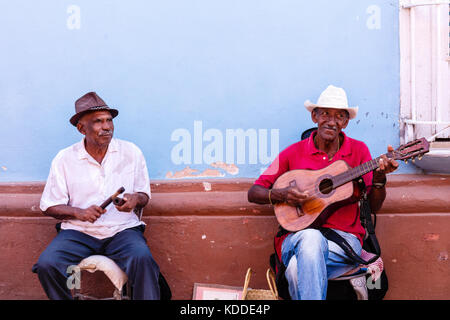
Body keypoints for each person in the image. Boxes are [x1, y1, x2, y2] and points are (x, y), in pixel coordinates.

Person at [247, 85, 398, 300]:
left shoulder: (359, 151)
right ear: (314, 117)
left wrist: (381, 178)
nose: (331, 120)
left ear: (345, 122)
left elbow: (373, 207)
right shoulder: (293, 153)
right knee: (310, 238)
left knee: (296, 269)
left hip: (345, 243)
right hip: (295, 238)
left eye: (339, 116)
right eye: (325, 113)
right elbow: (254, 192)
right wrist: (282, 195)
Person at [32, 92, 160, 300]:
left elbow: (144, 195)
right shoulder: (64, 159)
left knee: (142, 258)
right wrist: (79, 212)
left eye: (109, 120)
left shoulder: (131, 152)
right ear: (82, 128)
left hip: (122, 230)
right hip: (78, 233)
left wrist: (135, 199)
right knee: (48, 265)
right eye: (98, 122)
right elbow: (49, 206)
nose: (107, 126)